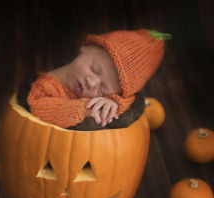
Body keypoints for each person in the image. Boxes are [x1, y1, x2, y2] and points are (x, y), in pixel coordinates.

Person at [26, 29, 171, 128]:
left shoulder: (111, 96)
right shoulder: (45, 86)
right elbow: (38, 108)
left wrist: (114, 102)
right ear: (87, 47)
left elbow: (130, 98)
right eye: (94, 68)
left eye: (102, 89)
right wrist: (84, 110)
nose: (92, 83)